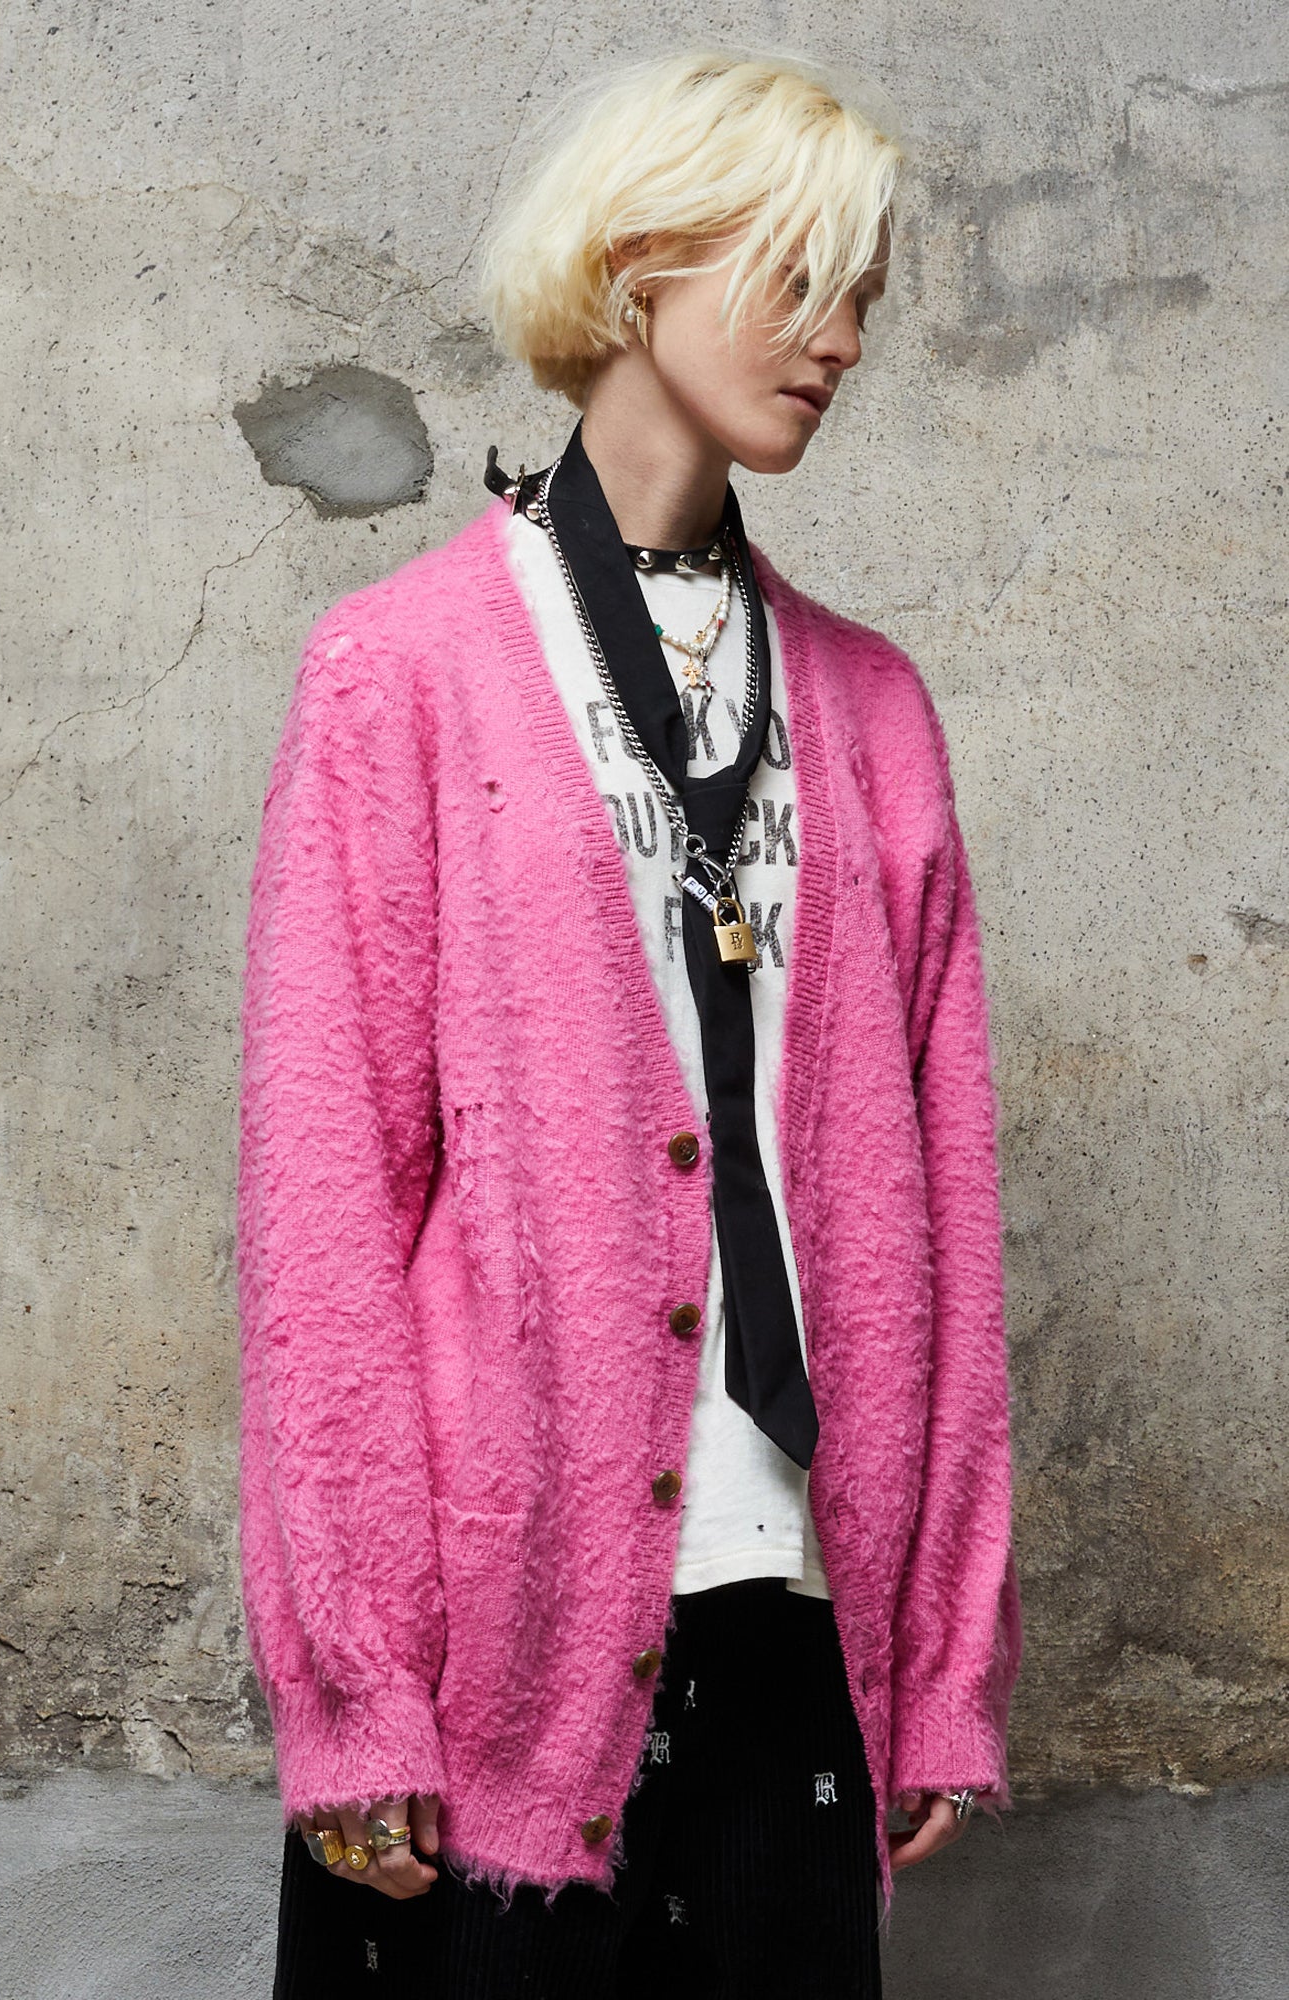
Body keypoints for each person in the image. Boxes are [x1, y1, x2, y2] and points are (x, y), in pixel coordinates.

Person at [237, 45, 1024, 2000]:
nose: (843, 340)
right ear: (641, 260)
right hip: (494, 1631)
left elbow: (948, 1215)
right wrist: (354, 1685)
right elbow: (325, 1213)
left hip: (797, 1607)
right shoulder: (399, 677)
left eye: (863, 294)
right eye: (801, 278)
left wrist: (940, 1661)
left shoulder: (872, 712)